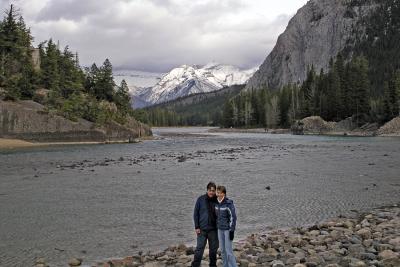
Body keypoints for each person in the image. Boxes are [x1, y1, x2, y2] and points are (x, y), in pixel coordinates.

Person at [191, 182, 219, 267]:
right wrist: (197, 227)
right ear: (207, 190)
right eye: (210, 190)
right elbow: (195, 213)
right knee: (199, 249)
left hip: (213, 230)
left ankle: (213, 265)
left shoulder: (217, 200)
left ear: (215, 191)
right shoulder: (200, 199)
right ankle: (195, 265)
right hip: (202, 230)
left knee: (213, 250)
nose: (211, 192)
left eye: (213, 191)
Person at [215, 185, 237, 267]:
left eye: (219, 193)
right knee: (223, 250)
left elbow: (233, 217)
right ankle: (225, 265)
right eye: (217, 192)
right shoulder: (216, 203)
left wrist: (232, 231)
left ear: (223, 194)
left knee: (228, 251)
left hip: (227, 230)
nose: (217, 194)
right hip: (219, 229)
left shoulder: (228, 204)